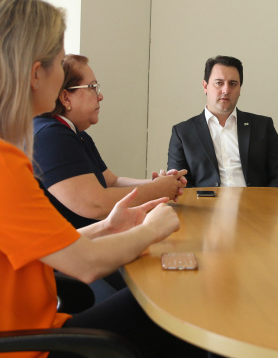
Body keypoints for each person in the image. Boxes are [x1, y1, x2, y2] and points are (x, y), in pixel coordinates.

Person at [0, 0, 237, 358]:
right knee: (175, 306)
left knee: (164, 336)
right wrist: (152, 228)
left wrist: (110, 226)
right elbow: (86, 266)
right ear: (37, 73)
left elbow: (42, 250)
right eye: (59, 63)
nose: (63, 75)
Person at [33, 54, 187, 229]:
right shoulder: (50, 136)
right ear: (66, 97)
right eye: (93, 88)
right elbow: (95, 204)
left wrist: (159, 184)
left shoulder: (76, 133)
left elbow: (112, 181)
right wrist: (157, 190)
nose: (101, 96)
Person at [168, 55, 278, 188]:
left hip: (255, 205)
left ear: (240, 89)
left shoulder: (262, 126)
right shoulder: (183, 132)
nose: (226, 90)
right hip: (204, 206)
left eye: (233, 84)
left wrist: (264, 204)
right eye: (219, 83)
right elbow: (178, 182)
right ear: (205, 86)